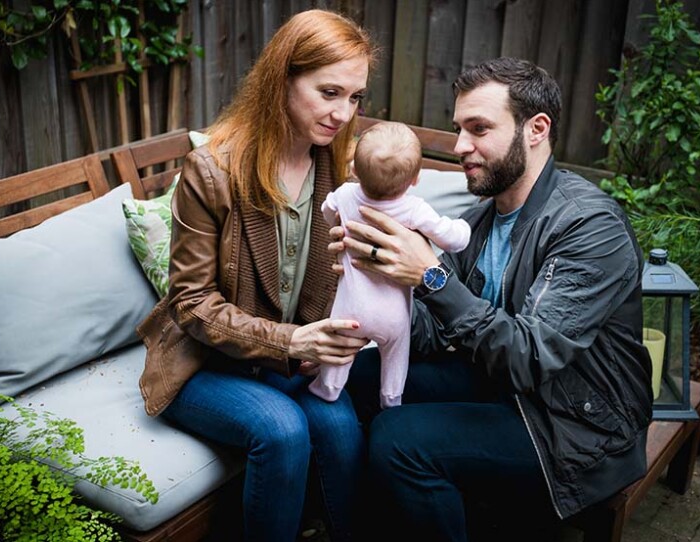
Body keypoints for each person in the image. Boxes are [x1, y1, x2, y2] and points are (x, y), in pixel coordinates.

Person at [336, 57, 654, 541]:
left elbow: (528, 356)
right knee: (360, 378)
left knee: (399, 442)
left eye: (479, 129)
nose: (462, 146)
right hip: (501, 388)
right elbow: (430, 330)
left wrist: (430, 277)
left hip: (575, 428)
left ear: (536, 128)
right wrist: (380, 276)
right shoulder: (483, 220)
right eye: (460, 129)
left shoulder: (589, 226)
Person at [136, 10, 375, 542]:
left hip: (285, 357)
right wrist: (292, 339)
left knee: (338, 428)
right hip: (204, 362)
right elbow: (192, 303)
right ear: (283, 78)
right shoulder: (213, 170)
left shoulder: (336, 164)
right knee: (281, 429)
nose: (343, 113)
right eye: (329, 91)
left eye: (355, 97)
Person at [309, 122, 471, 408]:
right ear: (416, 180)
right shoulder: (414, 209)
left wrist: (339, 224)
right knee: (396, 358)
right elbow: (453, 240)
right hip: (394, 316)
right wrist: (463, 228)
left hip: (350, 308)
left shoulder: (345, 194)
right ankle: (391, 400)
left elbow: (326, 210)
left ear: (354, 171)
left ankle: (328, 387)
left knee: (338, 353)